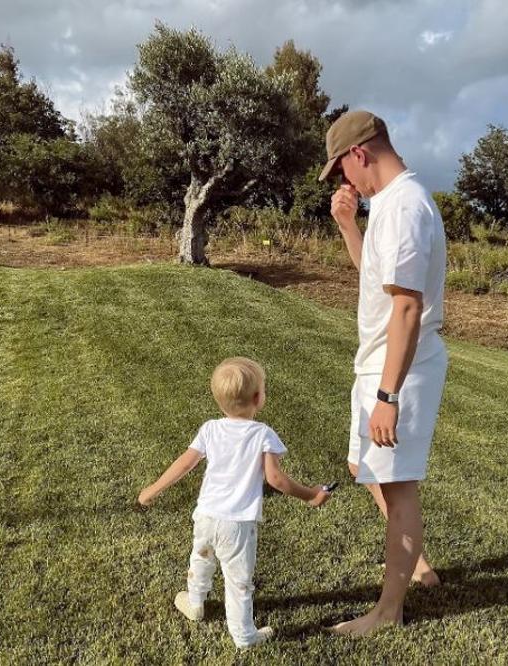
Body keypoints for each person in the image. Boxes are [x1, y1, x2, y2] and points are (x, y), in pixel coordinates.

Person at [318, 110, 448, 635]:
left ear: (360, 153)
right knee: (360, 467)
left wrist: (388, 395)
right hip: (376, 361)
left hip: (400, 369)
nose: (347, 183)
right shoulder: (387, 208)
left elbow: (408, 309)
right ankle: (414, 563)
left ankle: (387, 611)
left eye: (343, 170)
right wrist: (349, 226)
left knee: (397, 488)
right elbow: (378, 280)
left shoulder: (405, 208)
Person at [135, 357, 332, 648]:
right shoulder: (263, 434)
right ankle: (244, 636)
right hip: (237, 525)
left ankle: (195, 602)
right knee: (239, 581)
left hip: (205, 516)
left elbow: (185, 464)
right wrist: (312, 495)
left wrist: (152, 490)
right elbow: (275, 479)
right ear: (258, 398)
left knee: (201, 559)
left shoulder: (210, 429)